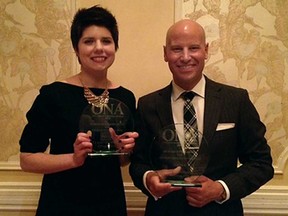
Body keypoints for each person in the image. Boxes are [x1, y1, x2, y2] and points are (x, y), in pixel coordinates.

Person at [129, 19, 274, 216]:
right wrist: (148, 179)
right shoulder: (148, 105)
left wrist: (221, 188)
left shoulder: (236, 100)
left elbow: (261, 163)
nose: (186, 57)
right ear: (165, 53)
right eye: (177, 49)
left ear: (206, 50)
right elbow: (138, 163)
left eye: (194, 48)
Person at [19, 5, 138, 216]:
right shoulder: (53, 95)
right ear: (76, 48)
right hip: (62, 204)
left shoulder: (125, 97)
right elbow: (27, 159)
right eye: (89, 41)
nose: (99, 48)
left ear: (115, 47)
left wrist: (125, 150)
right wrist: (74, 159)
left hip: (110, 204)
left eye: (106, 41)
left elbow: (121, 160)